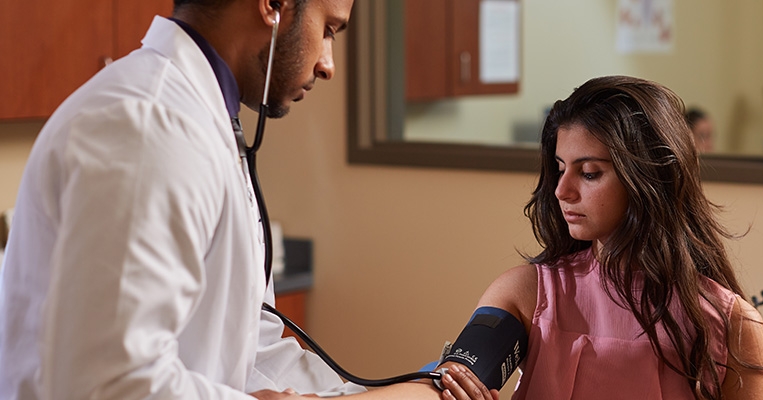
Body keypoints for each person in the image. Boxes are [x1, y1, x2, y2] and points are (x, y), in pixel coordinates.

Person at [0, 0, 492, 399]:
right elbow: (107, 383)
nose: (328, 65)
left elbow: (247, 347)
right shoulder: (150, 128)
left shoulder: (204, 123)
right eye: (328, 30)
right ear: (273, 5)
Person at [469, 76, 763, 399]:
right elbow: (449, 379)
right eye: (560, 169)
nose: (562, 191)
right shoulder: (526, 294)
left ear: (650, 178)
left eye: (589, 173)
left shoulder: (733, 323)